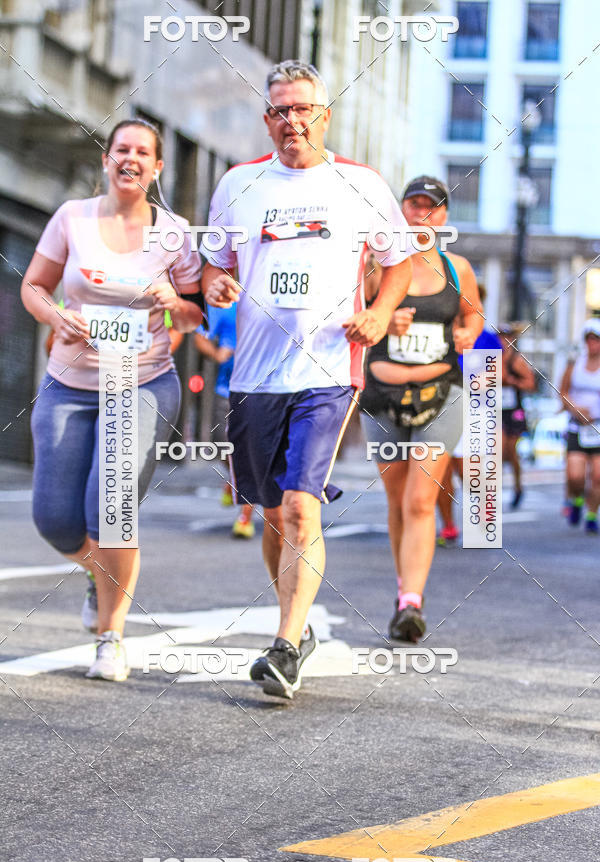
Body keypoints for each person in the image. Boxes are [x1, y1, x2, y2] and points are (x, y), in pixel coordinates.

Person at [200, 60, 414, 699]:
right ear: (268, 119)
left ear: (325, 115)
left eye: (304, 110)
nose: (293, 120)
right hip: (254, 377)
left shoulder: (360, 185)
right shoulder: (239, 185)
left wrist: (377, 311)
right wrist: (215, 286)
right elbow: (215, 270)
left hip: (327, 370)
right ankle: (293, 626)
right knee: (272, 513)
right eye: (281, 110)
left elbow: (397, 261)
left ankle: (287, 645)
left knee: (300, 505)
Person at [21, 118, 204, 681]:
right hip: (68, 386)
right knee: (54, 520)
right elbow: (33, 286)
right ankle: (100, 577)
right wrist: (57, 316)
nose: (130, 159)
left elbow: (198, 317)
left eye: (142, 152)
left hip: (143, 383)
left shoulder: (173, 233)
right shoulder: (72, 217)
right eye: (121, 149)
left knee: (113, 513)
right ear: (107, 159)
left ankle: (111, 635)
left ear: (157, 167)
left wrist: (173, 298)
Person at [361, 176, 483, 643]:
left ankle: (412, 602)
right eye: (413, 206)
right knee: (396, 501)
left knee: (420, 499)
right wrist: (384, 318)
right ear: (400, 213)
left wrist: (469, 332)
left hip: (440, 394)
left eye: (431, 208)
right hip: (382, 397)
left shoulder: (458, 269)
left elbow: (473, 313)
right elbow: (353, 312)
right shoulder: (377, 265)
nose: (421, 216)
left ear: (443, 217)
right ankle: (402, 587)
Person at [436, 284, 503, 544]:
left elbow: (495, 376)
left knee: (467, 471)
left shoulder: (487, 338)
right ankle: (448, 525)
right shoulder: (441, 333)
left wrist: (475, 382)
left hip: (474, 413)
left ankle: (484, 507)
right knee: (439, 473)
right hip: (439, 410)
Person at [194, 306, 255, 538]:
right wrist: (216, 353)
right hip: (226, 389)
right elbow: (199, 338)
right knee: (223, 445)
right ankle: (233, 477)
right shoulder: (225, 305)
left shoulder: (268, 299)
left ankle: (244, 518)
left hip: (261, 390)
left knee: (249, 454)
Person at [559, 318, 600, 533]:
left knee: (597, 476)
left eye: (597, 340)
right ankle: (575, 499)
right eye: (589, 339)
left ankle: (592, 515)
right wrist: (575, 409)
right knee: (575, 476)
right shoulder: (575, 364)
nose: (593, 344)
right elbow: (563, 391)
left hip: (598, 427)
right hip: (577, 426)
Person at [499, 323, 536, 508]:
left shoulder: (517, 360)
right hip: (494, 409)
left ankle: (518, 486)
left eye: (507, 337)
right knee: (498, 448)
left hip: (513, 410)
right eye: (500, 337)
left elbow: (531, 384)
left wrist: (510, 381)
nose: (503, 341)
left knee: (510, 450)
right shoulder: (489, 358)